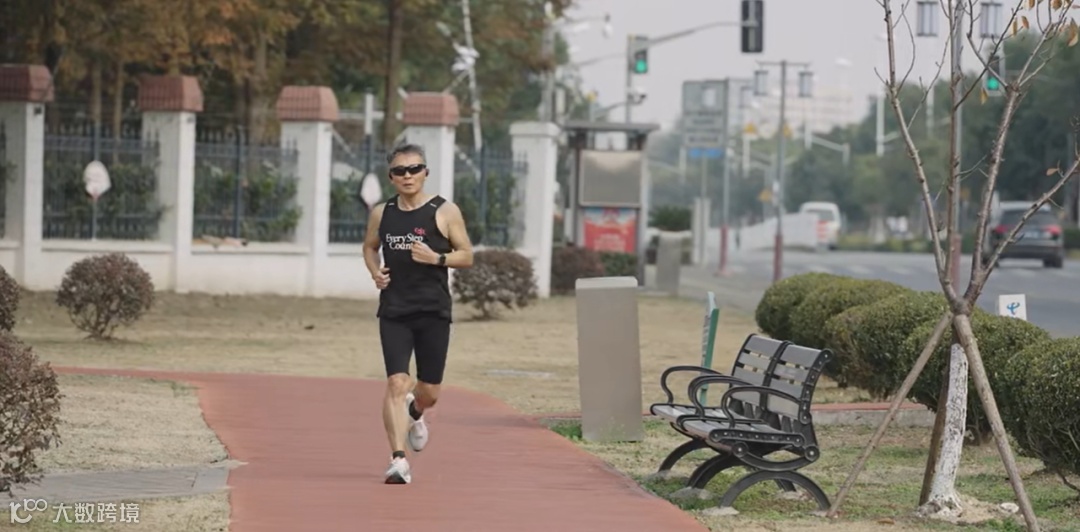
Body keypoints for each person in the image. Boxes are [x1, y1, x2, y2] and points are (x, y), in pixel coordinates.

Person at [362, 143, 474, 484]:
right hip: (394, 310)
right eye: (400, 171)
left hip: (433, 310)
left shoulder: (445, 211)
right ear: (391, 177)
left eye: (414, 169)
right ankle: (398, 460)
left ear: (425, 172)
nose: (407, 175)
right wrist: (375, 272)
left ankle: (416, 411)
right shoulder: (382, 213)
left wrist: (437, 258)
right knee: (397, 382)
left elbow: (466, 255)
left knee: (430, 392)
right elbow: (370, 247)